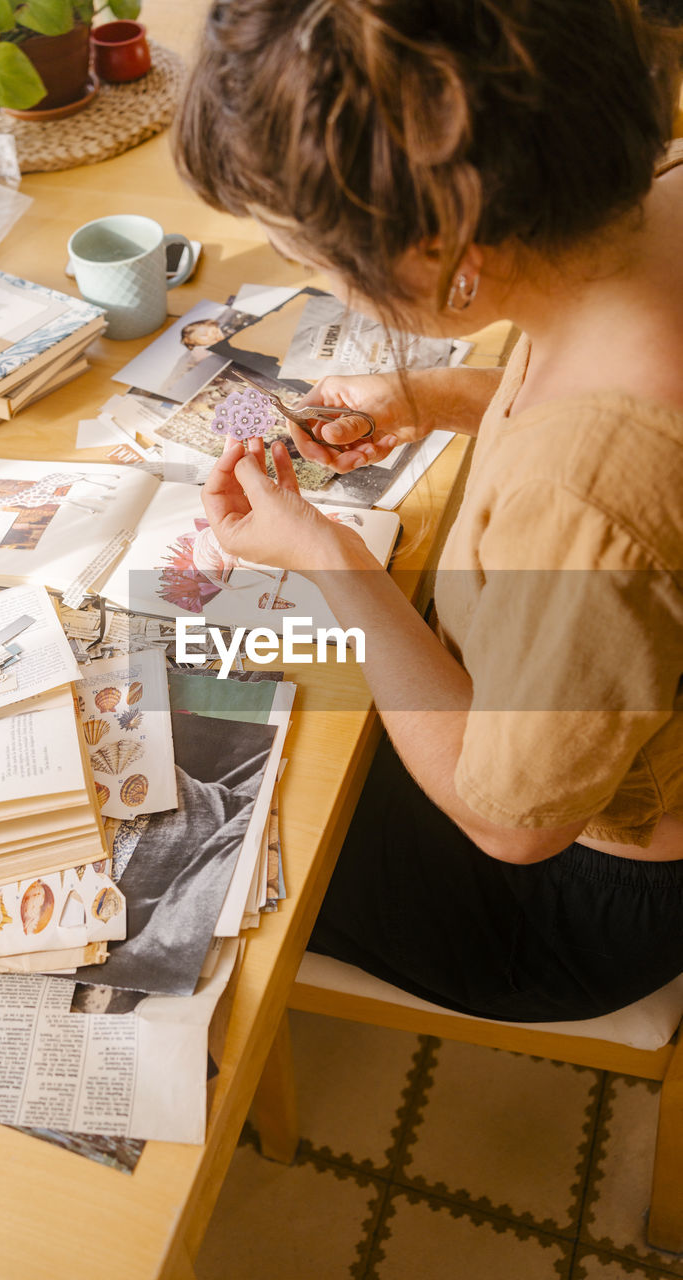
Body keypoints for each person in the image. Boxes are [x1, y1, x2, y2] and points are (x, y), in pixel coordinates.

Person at [175, 0, 683, 1022]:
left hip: (569, 897)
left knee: (200, 784)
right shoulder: (657, 188)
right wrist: (432, 397)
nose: (326, 284)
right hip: (591, 753)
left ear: (445, 248)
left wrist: (330, 560)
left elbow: (510, 825)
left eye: (314, 259)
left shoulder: (585, 487)